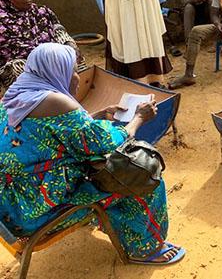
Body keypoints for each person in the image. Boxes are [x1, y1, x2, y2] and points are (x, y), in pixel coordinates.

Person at [0, 43, 185, 264]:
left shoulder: (16, 95)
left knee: (101, 168)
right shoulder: (56, 101)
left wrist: (92, 117)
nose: (78, 77)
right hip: (39, 213)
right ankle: (145, 248)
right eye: (74, 71)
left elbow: (50, 134)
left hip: (12, 207)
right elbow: (108, 144)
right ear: (58, 72)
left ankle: (111, 223)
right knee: (141, 173)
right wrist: (139, 118)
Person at [0, 0, 86, 95]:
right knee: (17, 69)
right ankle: (37, 104)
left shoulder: (41, 11)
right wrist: (49, 58)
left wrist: (69, 44)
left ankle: (77, 96)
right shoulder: (3, 21)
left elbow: (58, 29)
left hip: (50, 55)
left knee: (71, 53)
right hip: (24, 61)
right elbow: (15, 49)